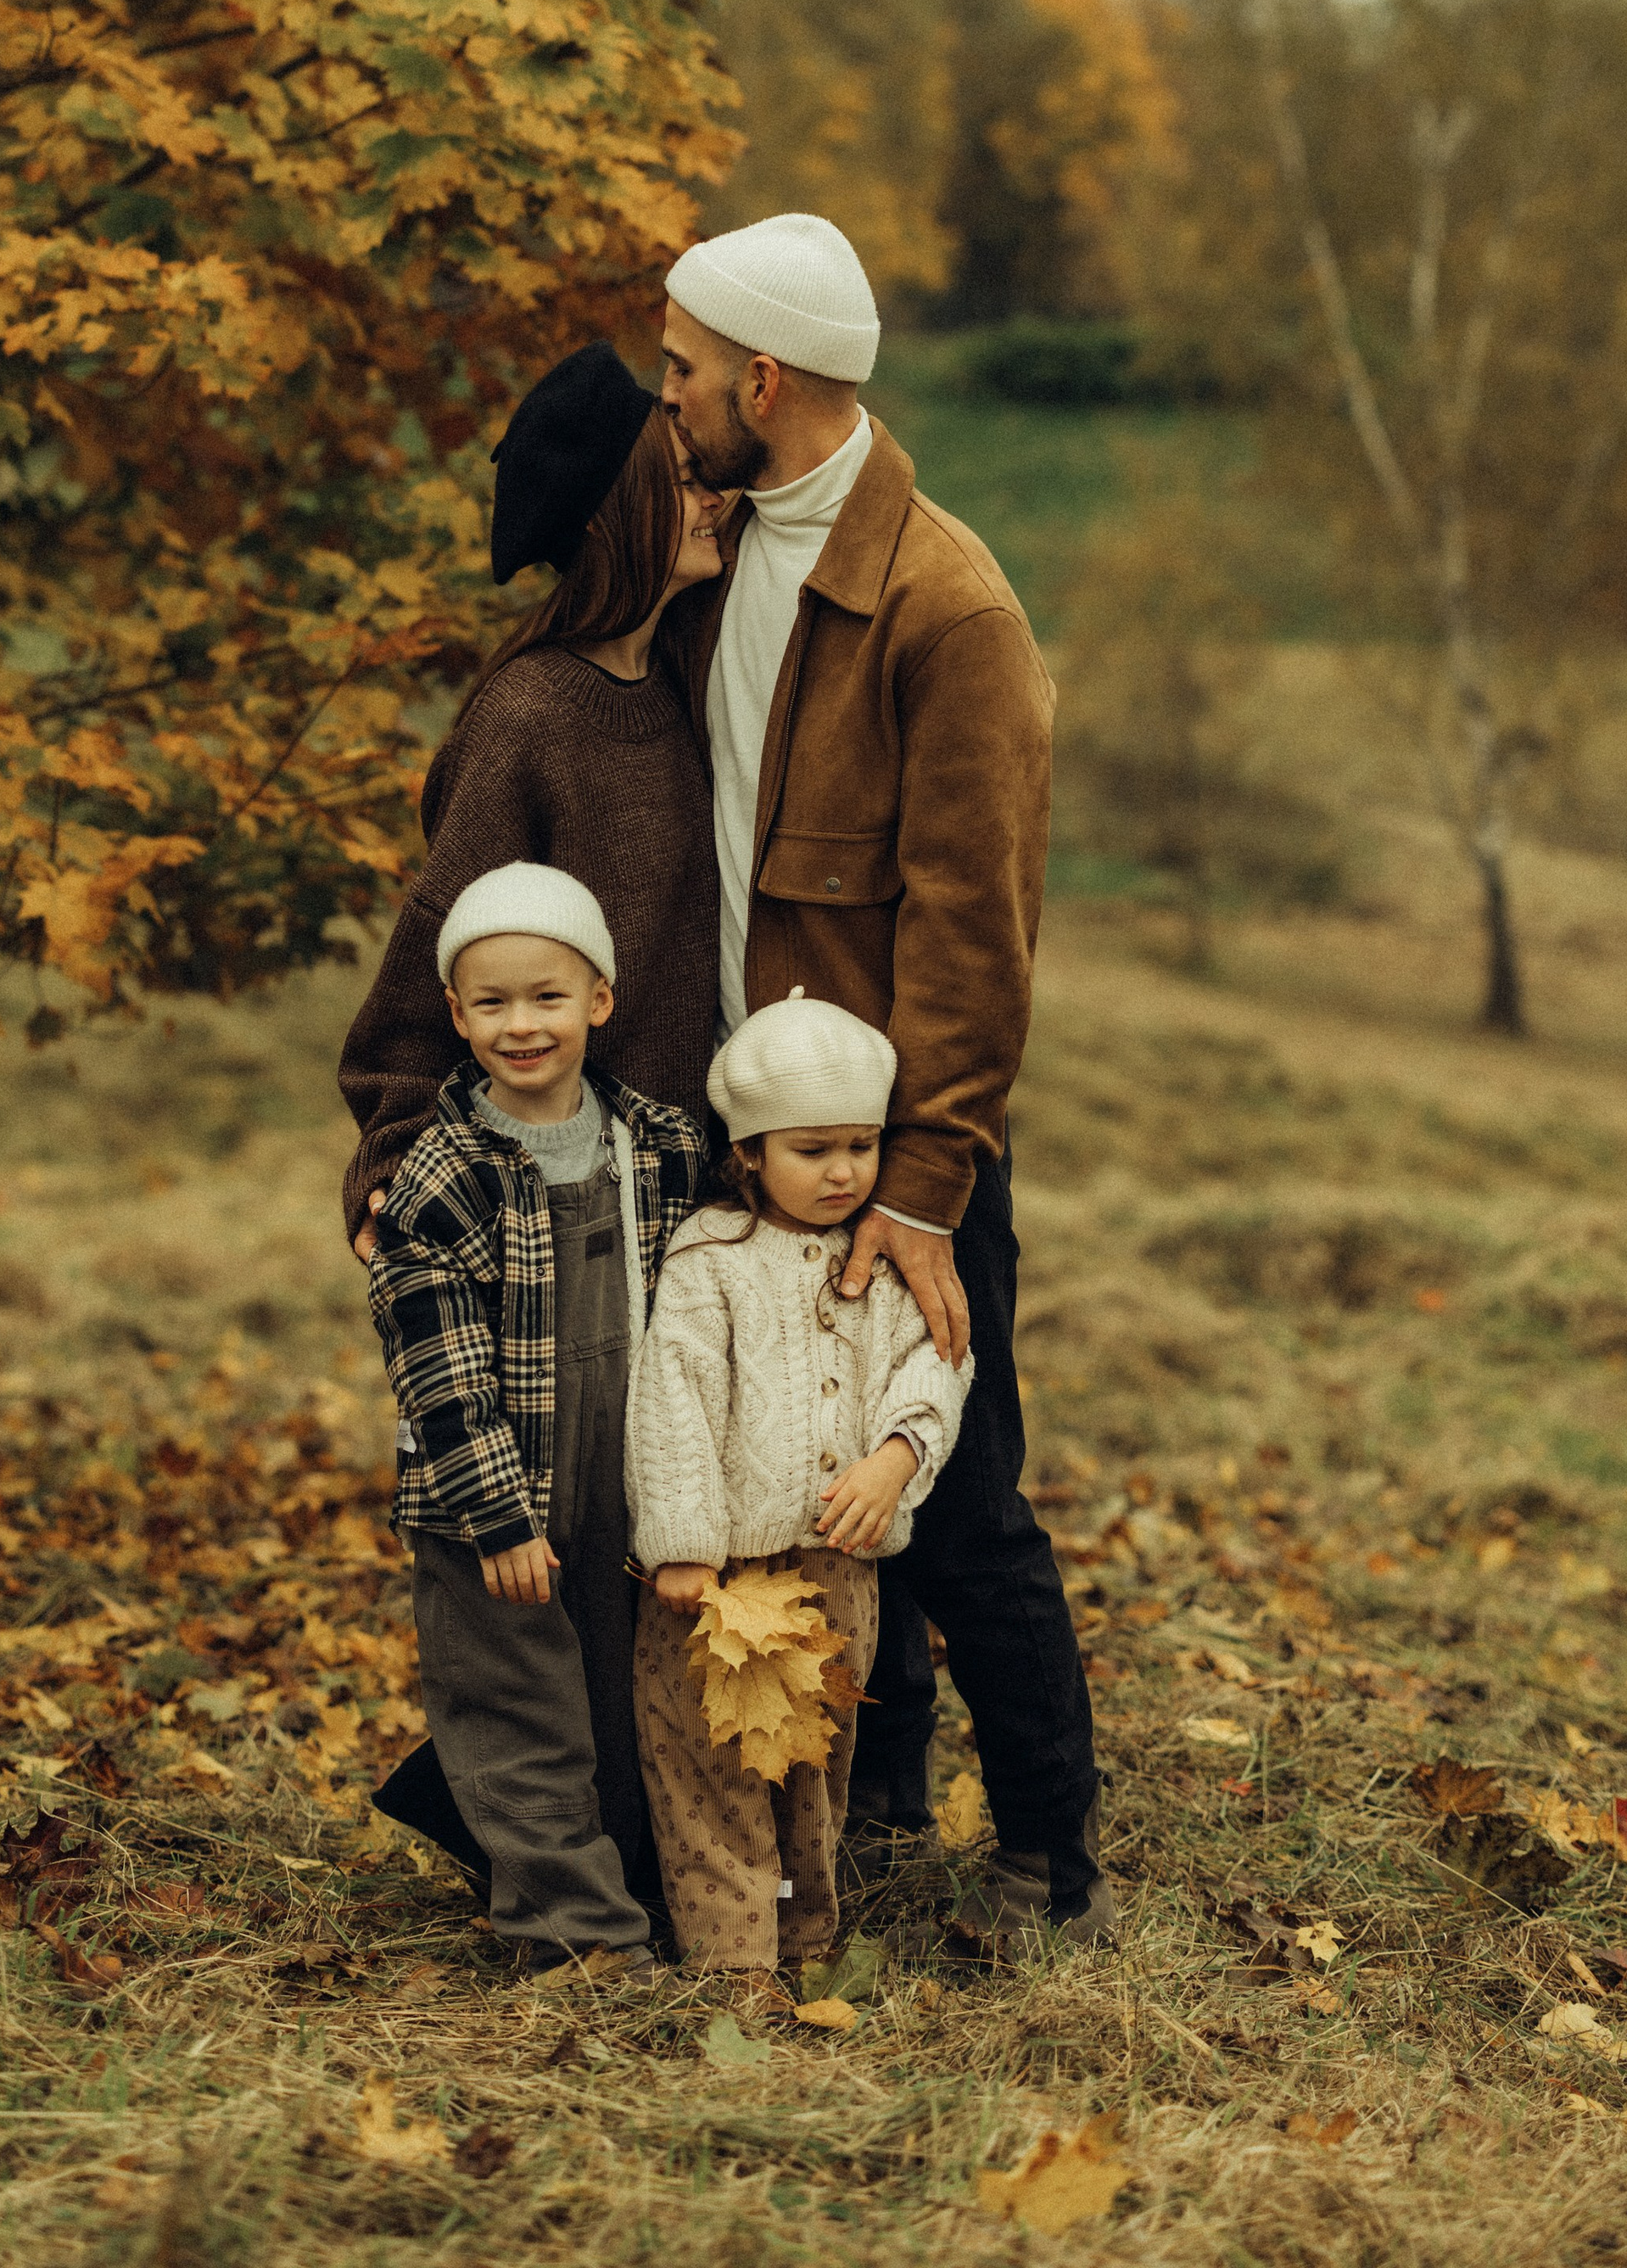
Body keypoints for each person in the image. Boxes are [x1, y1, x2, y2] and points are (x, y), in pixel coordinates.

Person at [658, 210, 1114, 1944]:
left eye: (686, 374)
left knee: (951, 1499)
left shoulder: (945, 606)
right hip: (744, 1149)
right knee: (792, 1481)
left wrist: (921, 1188)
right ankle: (872, 1819)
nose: (669, 398)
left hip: (890, 1164)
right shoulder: (732, 548)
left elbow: (974, 932)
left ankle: (1050, 1862)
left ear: (760, 380)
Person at [366, 860, 706, 1971]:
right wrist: (499, 1516)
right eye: (494, 1003)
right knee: (519, 1704)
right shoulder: (443, 1176)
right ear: (457, 1017)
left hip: (621, 1469)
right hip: (493, 1487)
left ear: (600, 1000)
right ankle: (570, 1935)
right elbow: (439, 1366)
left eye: (548, 996)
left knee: (617, 1705)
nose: (524, 1024)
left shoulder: (658, 1145)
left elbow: (701, 1311)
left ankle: (621, 1883)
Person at [338, 339, 724, 1258]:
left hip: (685, 1193)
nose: (715, 500)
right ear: (612, 516)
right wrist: (392, 1152)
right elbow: (438, 947)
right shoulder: (529, 719)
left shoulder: (680, 680)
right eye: (681, 482)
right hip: (558, 1210)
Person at [625, 988, 970, 1977]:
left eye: (860, 1147)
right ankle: (733, 1960)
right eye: (811, 1150)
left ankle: (802, 1935)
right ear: (749, 1154)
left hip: (838, 1569)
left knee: (809, 1766)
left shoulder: (886, 1258)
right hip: (721, 1578)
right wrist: (683, 1541)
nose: (841, 1172)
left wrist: (897, 1459)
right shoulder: (710, 1256)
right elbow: (671, 1393)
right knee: (711, 1767)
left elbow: (937, 1362)